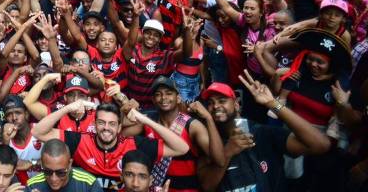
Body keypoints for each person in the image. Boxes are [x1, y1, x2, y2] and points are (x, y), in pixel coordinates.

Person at [197, 71, 331, 192]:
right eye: (210, 102)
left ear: (237, 104)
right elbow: (207, 186)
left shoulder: (262, 133)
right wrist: (227, 152)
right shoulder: (208, 141)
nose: (215, 106)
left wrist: (273, 103)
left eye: (222, 100)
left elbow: (321, 145)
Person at [32, 101, 190, 191]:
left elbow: (181, 148)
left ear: (120, 127)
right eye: (101, 123)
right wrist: (67, 108)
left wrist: (145, 120)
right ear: (95, 124)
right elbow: (38, 132)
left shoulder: (134, 144)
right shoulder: (80, 140)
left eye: (112, 124)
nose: (106, 128)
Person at [26, 138, 102, 192]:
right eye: (48, 171)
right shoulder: (32, 186)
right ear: (42, 165)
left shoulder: (88, 184)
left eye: (60, 172)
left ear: (70, 165)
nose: (54, 179)